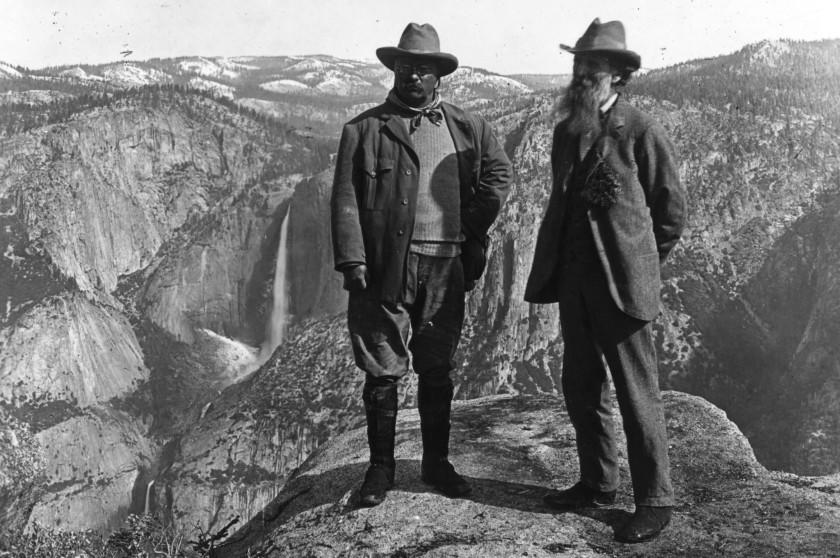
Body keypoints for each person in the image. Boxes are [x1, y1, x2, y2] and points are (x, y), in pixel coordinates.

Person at [331, 22, 511, 507]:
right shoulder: (363, 130)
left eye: (424, 70)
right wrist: (352, 260)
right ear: (394, 70)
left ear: (439, 77)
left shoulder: (468, 127)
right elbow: (345, 198)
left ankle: (436, 464)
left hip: (446, 266)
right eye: (406, 67)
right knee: (382, 369)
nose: (414, 77)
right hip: (385, 267)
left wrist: (471, 225)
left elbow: (499, 175)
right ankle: (380, 470)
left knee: (437, 369)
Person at [524, 18, 686, 543]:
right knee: (580, 385)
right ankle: (597, 483)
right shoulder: (567, 129)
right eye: (578, 65)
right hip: (574, 284)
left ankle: (655, 500)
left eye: (591, 67)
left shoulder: (639, 130)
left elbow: (670, 213)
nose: (581, 75)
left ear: (617, 76)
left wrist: (639, 262)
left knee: (637, 393)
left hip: (622, 288)